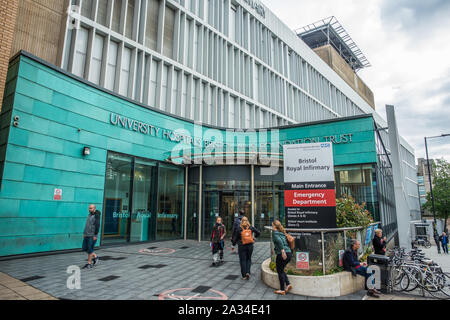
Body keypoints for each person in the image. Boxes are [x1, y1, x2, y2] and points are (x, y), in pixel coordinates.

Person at [271, 220, 293, 295]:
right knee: (281, 270)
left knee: (279, 271)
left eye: (272, 225)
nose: (272, 227)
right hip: (289, 253)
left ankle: (282, 290)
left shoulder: (275, 233)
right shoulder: (282, 232)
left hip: (282, 254)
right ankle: (288, 284)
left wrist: (282, 251)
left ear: (274, 226)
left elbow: (279, 242)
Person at [82, 204, 101, 269]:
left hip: (92, 236)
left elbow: (98, 226)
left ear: (94, 208)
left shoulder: (96, 216)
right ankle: (95, 257)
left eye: (91, 208)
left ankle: (89, 264)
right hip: (86, 234)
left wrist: (95, 235)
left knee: (90, 249)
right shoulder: (89, 215)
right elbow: (87, 225)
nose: (90, 209)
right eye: (89, 208)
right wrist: (84, 233)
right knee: (84, 248)